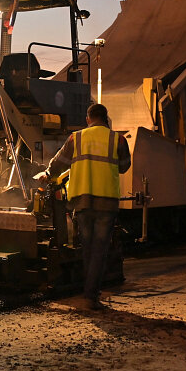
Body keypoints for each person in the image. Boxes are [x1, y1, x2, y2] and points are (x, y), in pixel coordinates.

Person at [41, 103, 131, 310]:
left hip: (82, 201)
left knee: (88, 248)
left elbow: (59, 163)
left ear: (88, 118)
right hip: (106, 202)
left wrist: (48, 174)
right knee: (100, 249)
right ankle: (91, 295)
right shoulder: (118, 139)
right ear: (105, 118)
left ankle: (88, 293)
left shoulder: (76, 138)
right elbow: (125, 167)